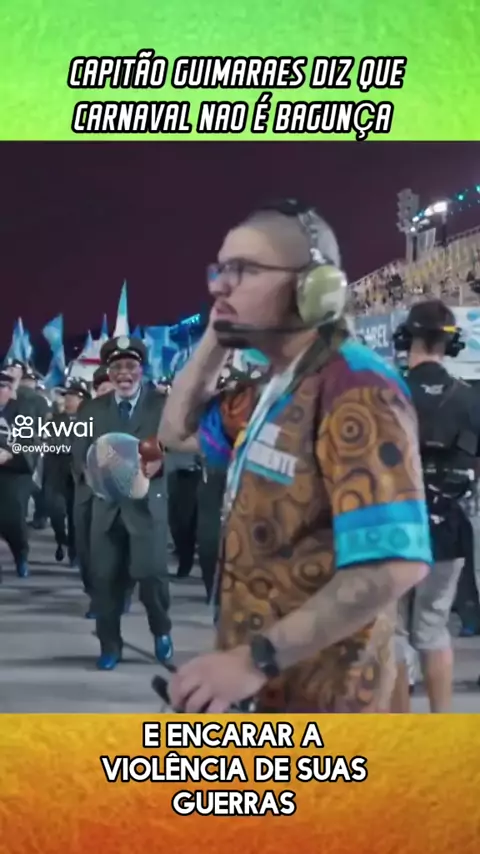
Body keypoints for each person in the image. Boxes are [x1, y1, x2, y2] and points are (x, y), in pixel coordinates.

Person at [160, 198, 431, 713]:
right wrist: (218, 333)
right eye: (220, 270)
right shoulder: (275, 386)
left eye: (244, 270)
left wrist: (254, 660)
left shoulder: (356, 387)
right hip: (268, 695)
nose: (219, 285)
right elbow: (176, 431)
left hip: (332, 705)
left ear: (314, 290)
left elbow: (394, 564)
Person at [390, 299, 480, 712]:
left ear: (405, 337)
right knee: (432, 627)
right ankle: (441, 727)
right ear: (452, 343)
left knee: (392, 633)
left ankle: (399, 732)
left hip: (393, 524)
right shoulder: (470, 399)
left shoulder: (386, 392)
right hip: (449, 524)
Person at [71, 335, 172, 670]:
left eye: (131, 366)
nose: (124, 373)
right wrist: (92, 474)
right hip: (106, 508)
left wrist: (163, 463)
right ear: (108, 372)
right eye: (117, 367)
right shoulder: (92, 409)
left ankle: (161, 629)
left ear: (142, 369)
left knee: (151, 575)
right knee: (105, 580)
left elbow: (183, 446)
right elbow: (78, 454)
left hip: (147, 508)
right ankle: (109, 645)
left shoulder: (161, 406)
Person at [44, 378, 91, 565]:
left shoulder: (90, 421)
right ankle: (61, 539)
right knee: (55, 510)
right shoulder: (55, 420)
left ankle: (74, 550)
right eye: (67, 397)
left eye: (73, 397)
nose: (69, 400)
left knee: (75, 515)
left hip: (79, 473)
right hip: (57, 471)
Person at [0, 370, 37, 578]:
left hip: (16, 471)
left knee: (13, 519)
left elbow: (28, 439)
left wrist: (9, 452)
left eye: (3, 387)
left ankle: (20, 554)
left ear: (10, 390)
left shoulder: (22, 410)